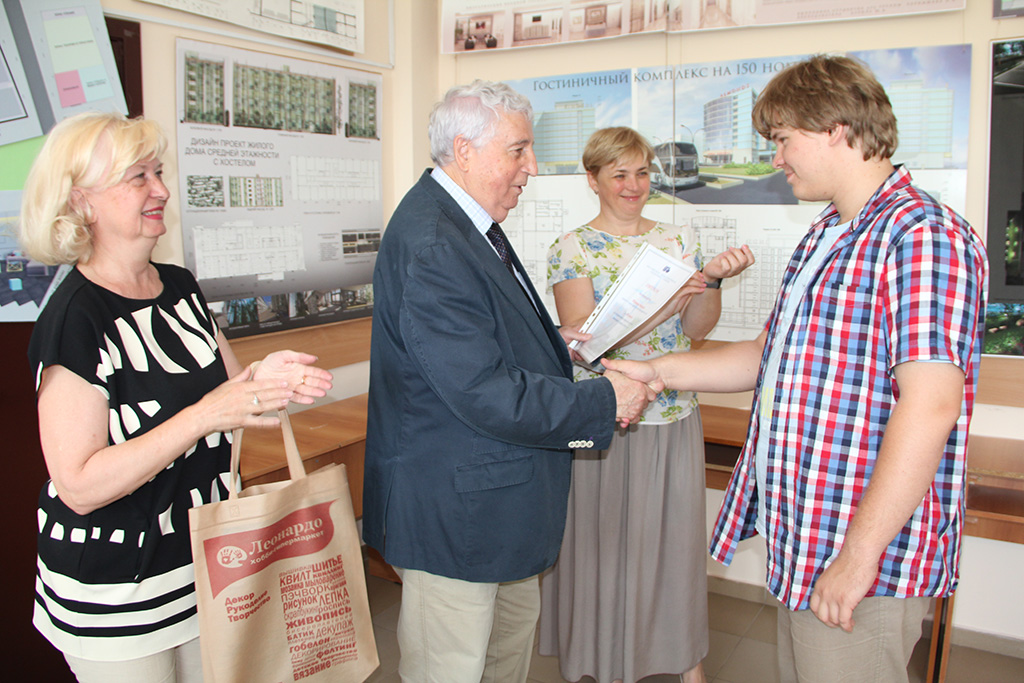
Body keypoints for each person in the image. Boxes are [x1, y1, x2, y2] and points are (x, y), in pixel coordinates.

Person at [605, 55, 988, 683]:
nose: (776, 158)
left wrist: (857, 558)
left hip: (861, 555)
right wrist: (657, 371)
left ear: (835, 128)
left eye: (783, 139)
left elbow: (932, 405)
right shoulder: (827, 233)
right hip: (807, 535)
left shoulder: (921, 235)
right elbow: (768, 356)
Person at [19, 111, 333, 682]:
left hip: (201, 562)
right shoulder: (75, 319)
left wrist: (265, 378)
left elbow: (229, 398)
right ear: (82, 201)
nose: (161, 189)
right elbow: (79, 485)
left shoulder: (180, 287)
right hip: (118, 587)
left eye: (158, 172)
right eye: (137, 177)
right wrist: (204, 415)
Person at [362, 81, 654, 683]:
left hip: (499, 502)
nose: (532, 168)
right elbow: (482, 391)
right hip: (459, 513)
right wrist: (604, 400)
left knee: (503, 660)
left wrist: (547, 340)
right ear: (464, 151)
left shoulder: (465, 222)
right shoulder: (434, 241)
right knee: (452, 669)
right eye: (518, 150)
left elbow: (475, 337)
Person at [538, 126, 754, 683]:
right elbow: (587, 348)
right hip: (604, 416)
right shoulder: (572, 248)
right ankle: (596, 659)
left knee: (674, 545)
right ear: (593, 180)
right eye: (619, 175)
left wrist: (710, 284)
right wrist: (666, 305)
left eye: (641, 173)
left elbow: (697, 333)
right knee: (602, 545)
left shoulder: (678, 241)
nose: (633, 185)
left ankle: (685, 660)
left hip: (672, 411)